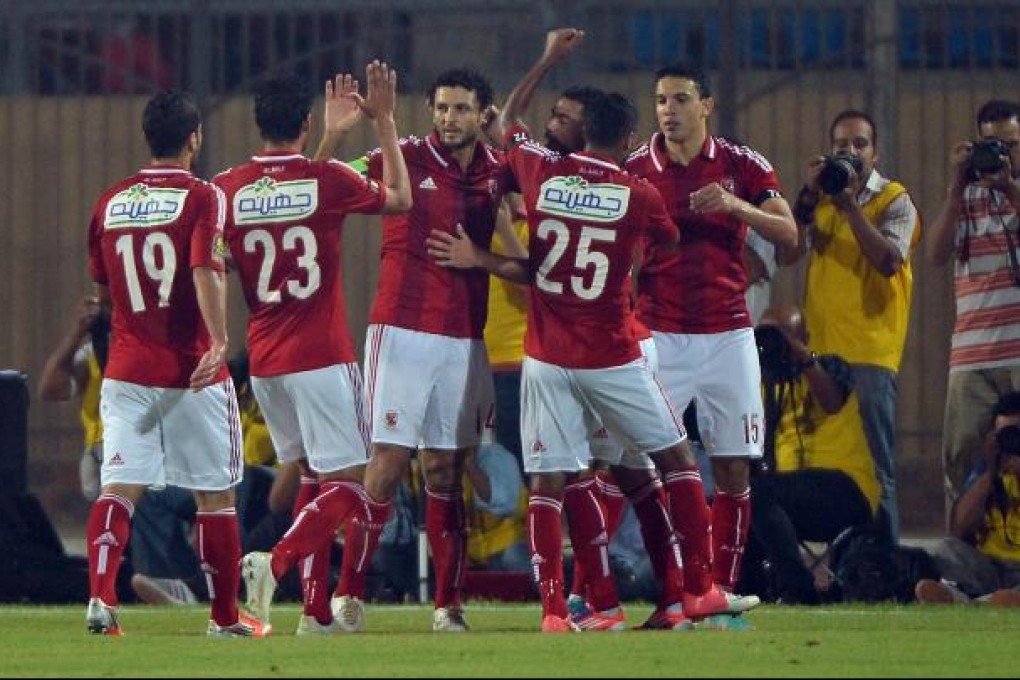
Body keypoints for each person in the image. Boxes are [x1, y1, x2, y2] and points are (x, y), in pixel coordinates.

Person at [428, 90, 740, 633]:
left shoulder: (538, 168)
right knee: (677, 462)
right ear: (627, 141)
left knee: (549, 481)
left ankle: (554, 610)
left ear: (583, 129)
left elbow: (506, 128)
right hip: (612, 354)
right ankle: (697, 589)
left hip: (547, 355)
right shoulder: (638, 192)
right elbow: (664, 243)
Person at [221, 64, 412, 636]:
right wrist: (383, 123)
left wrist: (331, 139)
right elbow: (399, 198)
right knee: (351, 482)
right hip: (321, 355)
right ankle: (273, 563)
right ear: (306, 121)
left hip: (265, 362)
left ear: (258, 123)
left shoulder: (229, 187)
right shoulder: (327, 181)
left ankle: (314, 614)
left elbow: (275, 207)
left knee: (312, 477)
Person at [83, 89, 268, 637]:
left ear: (148, 137)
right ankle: (224, 617)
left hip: (126, 370)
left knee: (119, 487)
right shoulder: (203, 196)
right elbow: (204, 269)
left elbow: (104, 289)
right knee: (216, 493)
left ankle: (100, 600)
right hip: (191, 370)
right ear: (194, 138)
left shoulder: (110, 201)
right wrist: (218, 338)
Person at [329, 67, 506, 633]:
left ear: (484, 114)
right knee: (386, 464)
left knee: (446, 468)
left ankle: (448, 605)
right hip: (401, 331)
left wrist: (482, 258)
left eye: (461, 109)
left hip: (464, 337)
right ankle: (348, 594)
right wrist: (337, 135)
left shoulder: (498, 171)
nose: (448, 118)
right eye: (442, 107)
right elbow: (324, 180)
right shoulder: (399, 154)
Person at [625, 64, 798, 601]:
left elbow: (791, 240)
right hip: (660, 334)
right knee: (635, 463)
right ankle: (661, 581)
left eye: (680, 99)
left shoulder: (741, 165)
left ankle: (718, 592)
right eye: (660, 100)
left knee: (732, 465)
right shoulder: (637, 168)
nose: (669, 110)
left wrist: (735, 205)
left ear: (707, 106)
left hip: (727, 335)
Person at [784, 109, 921, 543]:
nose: (850, 152)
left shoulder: (895, 199)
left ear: (875, 152)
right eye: (841, 145)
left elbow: (887, 261)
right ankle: (822, 565)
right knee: (815, 459)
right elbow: (787, 252)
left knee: (876, 466)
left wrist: (848, 206)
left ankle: (885, 561)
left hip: (870, 353)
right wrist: (807, 196)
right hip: (820, 354)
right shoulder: (822, 198)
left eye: (859, 144)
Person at [743, 304, 880, 605]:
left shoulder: (830, 366)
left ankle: (800, 590)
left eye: (784, 336)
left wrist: (802, 357)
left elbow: (831, 400)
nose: (776, 344)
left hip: (847, 491)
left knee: (759, 493)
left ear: (805, 337)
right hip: (792, 499)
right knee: (739, 498)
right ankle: (747, 591)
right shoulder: (766, 385)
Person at [926, 100, 1020, 529]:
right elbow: (936, 254)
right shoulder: (967, 195)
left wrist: (1011, 190)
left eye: (1012, 144)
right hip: (973, 354)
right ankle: (961, 559)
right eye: (994, 144)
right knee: (962, 459)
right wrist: (955, 186)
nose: (1003, 153)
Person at [915, 391, 1020, 607]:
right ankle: (979, 598)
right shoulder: (988, 467)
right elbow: (960, 529)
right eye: (1005, 433)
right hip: (990, 567)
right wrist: (990, 472)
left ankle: (969, 601)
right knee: (947, 548)